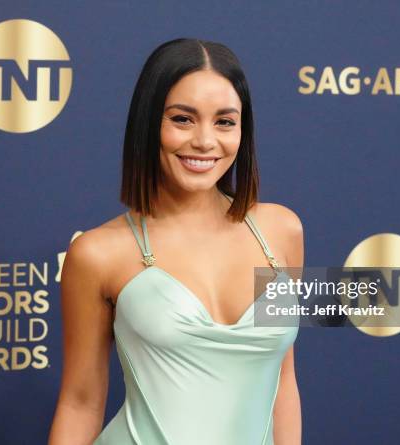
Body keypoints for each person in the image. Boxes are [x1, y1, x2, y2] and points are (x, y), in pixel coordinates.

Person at [48, 38, 304, 445]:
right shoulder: (99, 253)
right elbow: (80, 402)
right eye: (183, 119)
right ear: (149, 124)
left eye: (224, 122)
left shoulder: (281, 230)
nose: (205, 141)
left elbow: (283, 380)